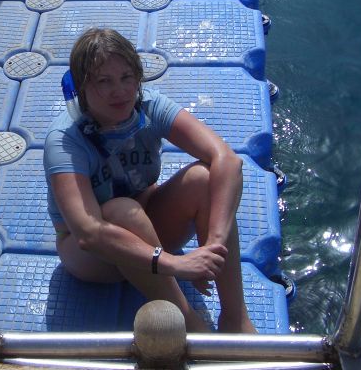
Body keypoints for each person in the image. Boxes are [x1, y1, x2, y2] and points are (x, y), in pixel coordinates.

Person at [43, 27, 256, 333]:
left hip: (148, 225)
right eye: (103, 81)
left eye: (126, 77)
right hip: (93, 256)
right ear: (81, 88)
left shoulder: (149, 106)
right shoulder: (65, 140)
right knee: (122, 211)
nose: (120, 91)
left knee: (203, 179)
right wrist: (174, 264)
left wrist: (214, 246)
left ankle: (235, 318)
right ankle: (192, 327)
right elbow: (88, 233)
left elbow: (227, 160)